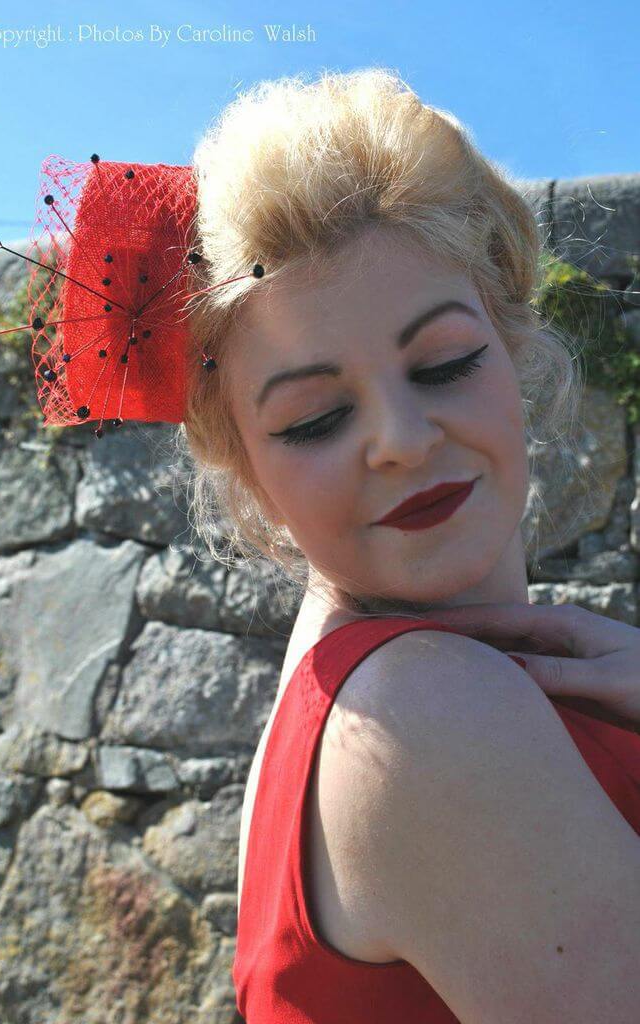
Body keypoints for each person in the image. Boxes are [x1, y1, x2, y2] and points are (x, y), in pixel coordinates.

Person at [176, 68, 640, 1022]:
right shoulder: (421, 713)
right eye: (313, 419)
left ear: (513, 347)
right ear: (249, 472)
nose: (402, 439)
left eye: (444, 364)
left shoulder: (349, 696)